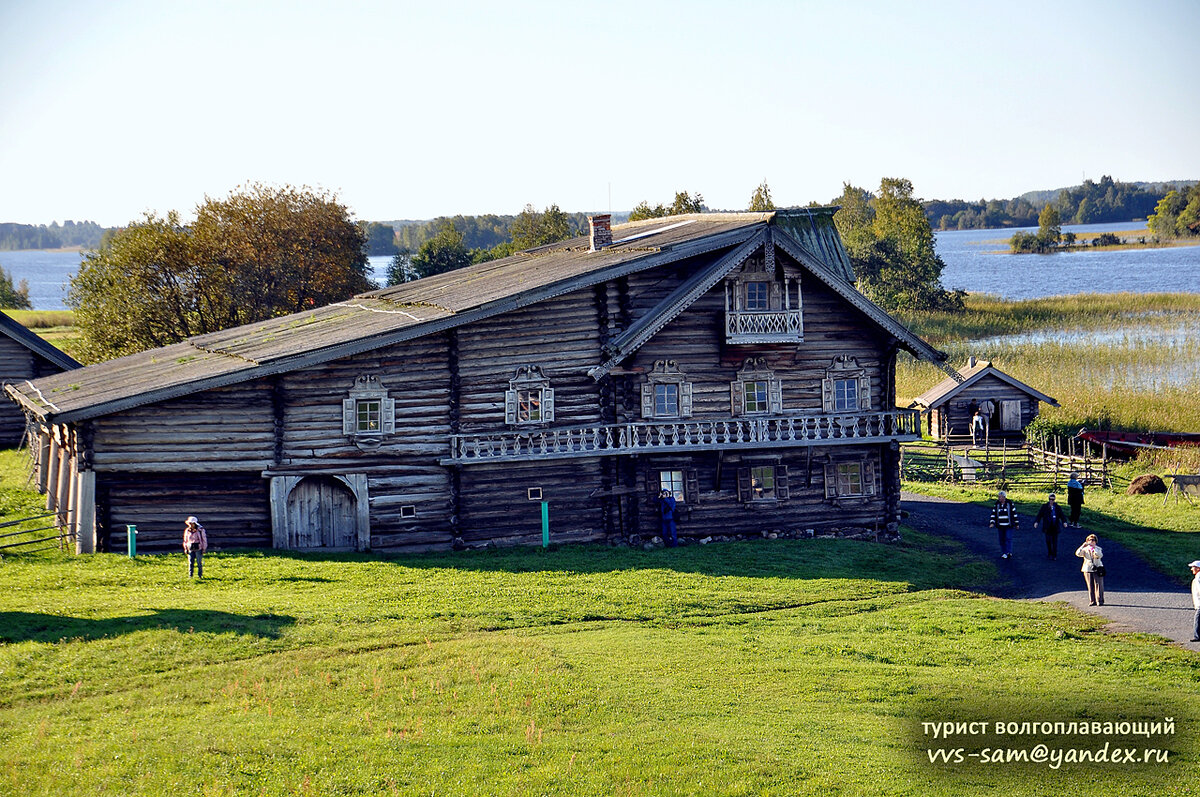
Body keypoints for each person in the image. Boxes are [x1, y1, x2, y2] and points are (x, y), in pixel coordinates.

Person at [1033, 493, 1068, 560]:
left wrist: (1064, 522)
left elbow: (1062, 515)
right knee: (1048, 540)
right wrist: (1036, 522)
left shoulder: (1057, 507)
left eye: (1053, 499)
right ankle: (1050, 553)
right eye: (1050, 499)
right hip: (1047, 527)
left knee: (1055, 541)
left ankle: (1054, 555)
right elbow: (1039, 515)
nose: (1051, 501)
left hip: (1055, 527)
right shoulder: (1044, 507)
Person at [1075, 534, 1104, 606]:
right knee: (1090, 585)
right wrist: (1082, 546)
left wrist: (1094, 549)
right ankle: (1092, 600)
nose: (1091, 541)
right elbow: (1078, 554)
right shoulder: (1085, 549)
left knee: (1099, 584)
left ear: (1095, 541)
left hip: (1097, 568)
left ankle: (1100, 600)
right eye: (1089, 540)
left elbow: (1100, 555)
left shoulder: (1098, 549)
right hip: (1088, 568)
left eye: (1093, 540)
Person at [989, 490, 1018, 559]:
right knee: (1002, 540)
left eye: (1000, 497)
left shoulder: (1010, 503)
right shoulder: (997, 504)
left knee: (1008, 538)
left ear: (1004, 497)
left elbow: (1014, 514)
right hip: (1000, 526)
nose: (999, 498)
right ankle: (1004, 552)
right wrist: (992, 522)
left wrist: (1016, 523)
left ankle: (1009, 552)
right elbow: (993, 514)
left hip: (1008, 525)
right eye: (998, 497)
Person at [1189, 560, 1200, 642]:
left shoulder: (1199, 577)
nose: (1192, 569)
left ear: (1198, 568)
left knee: (1198, 619)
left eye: (1193, 567)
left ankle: (1197, 636)